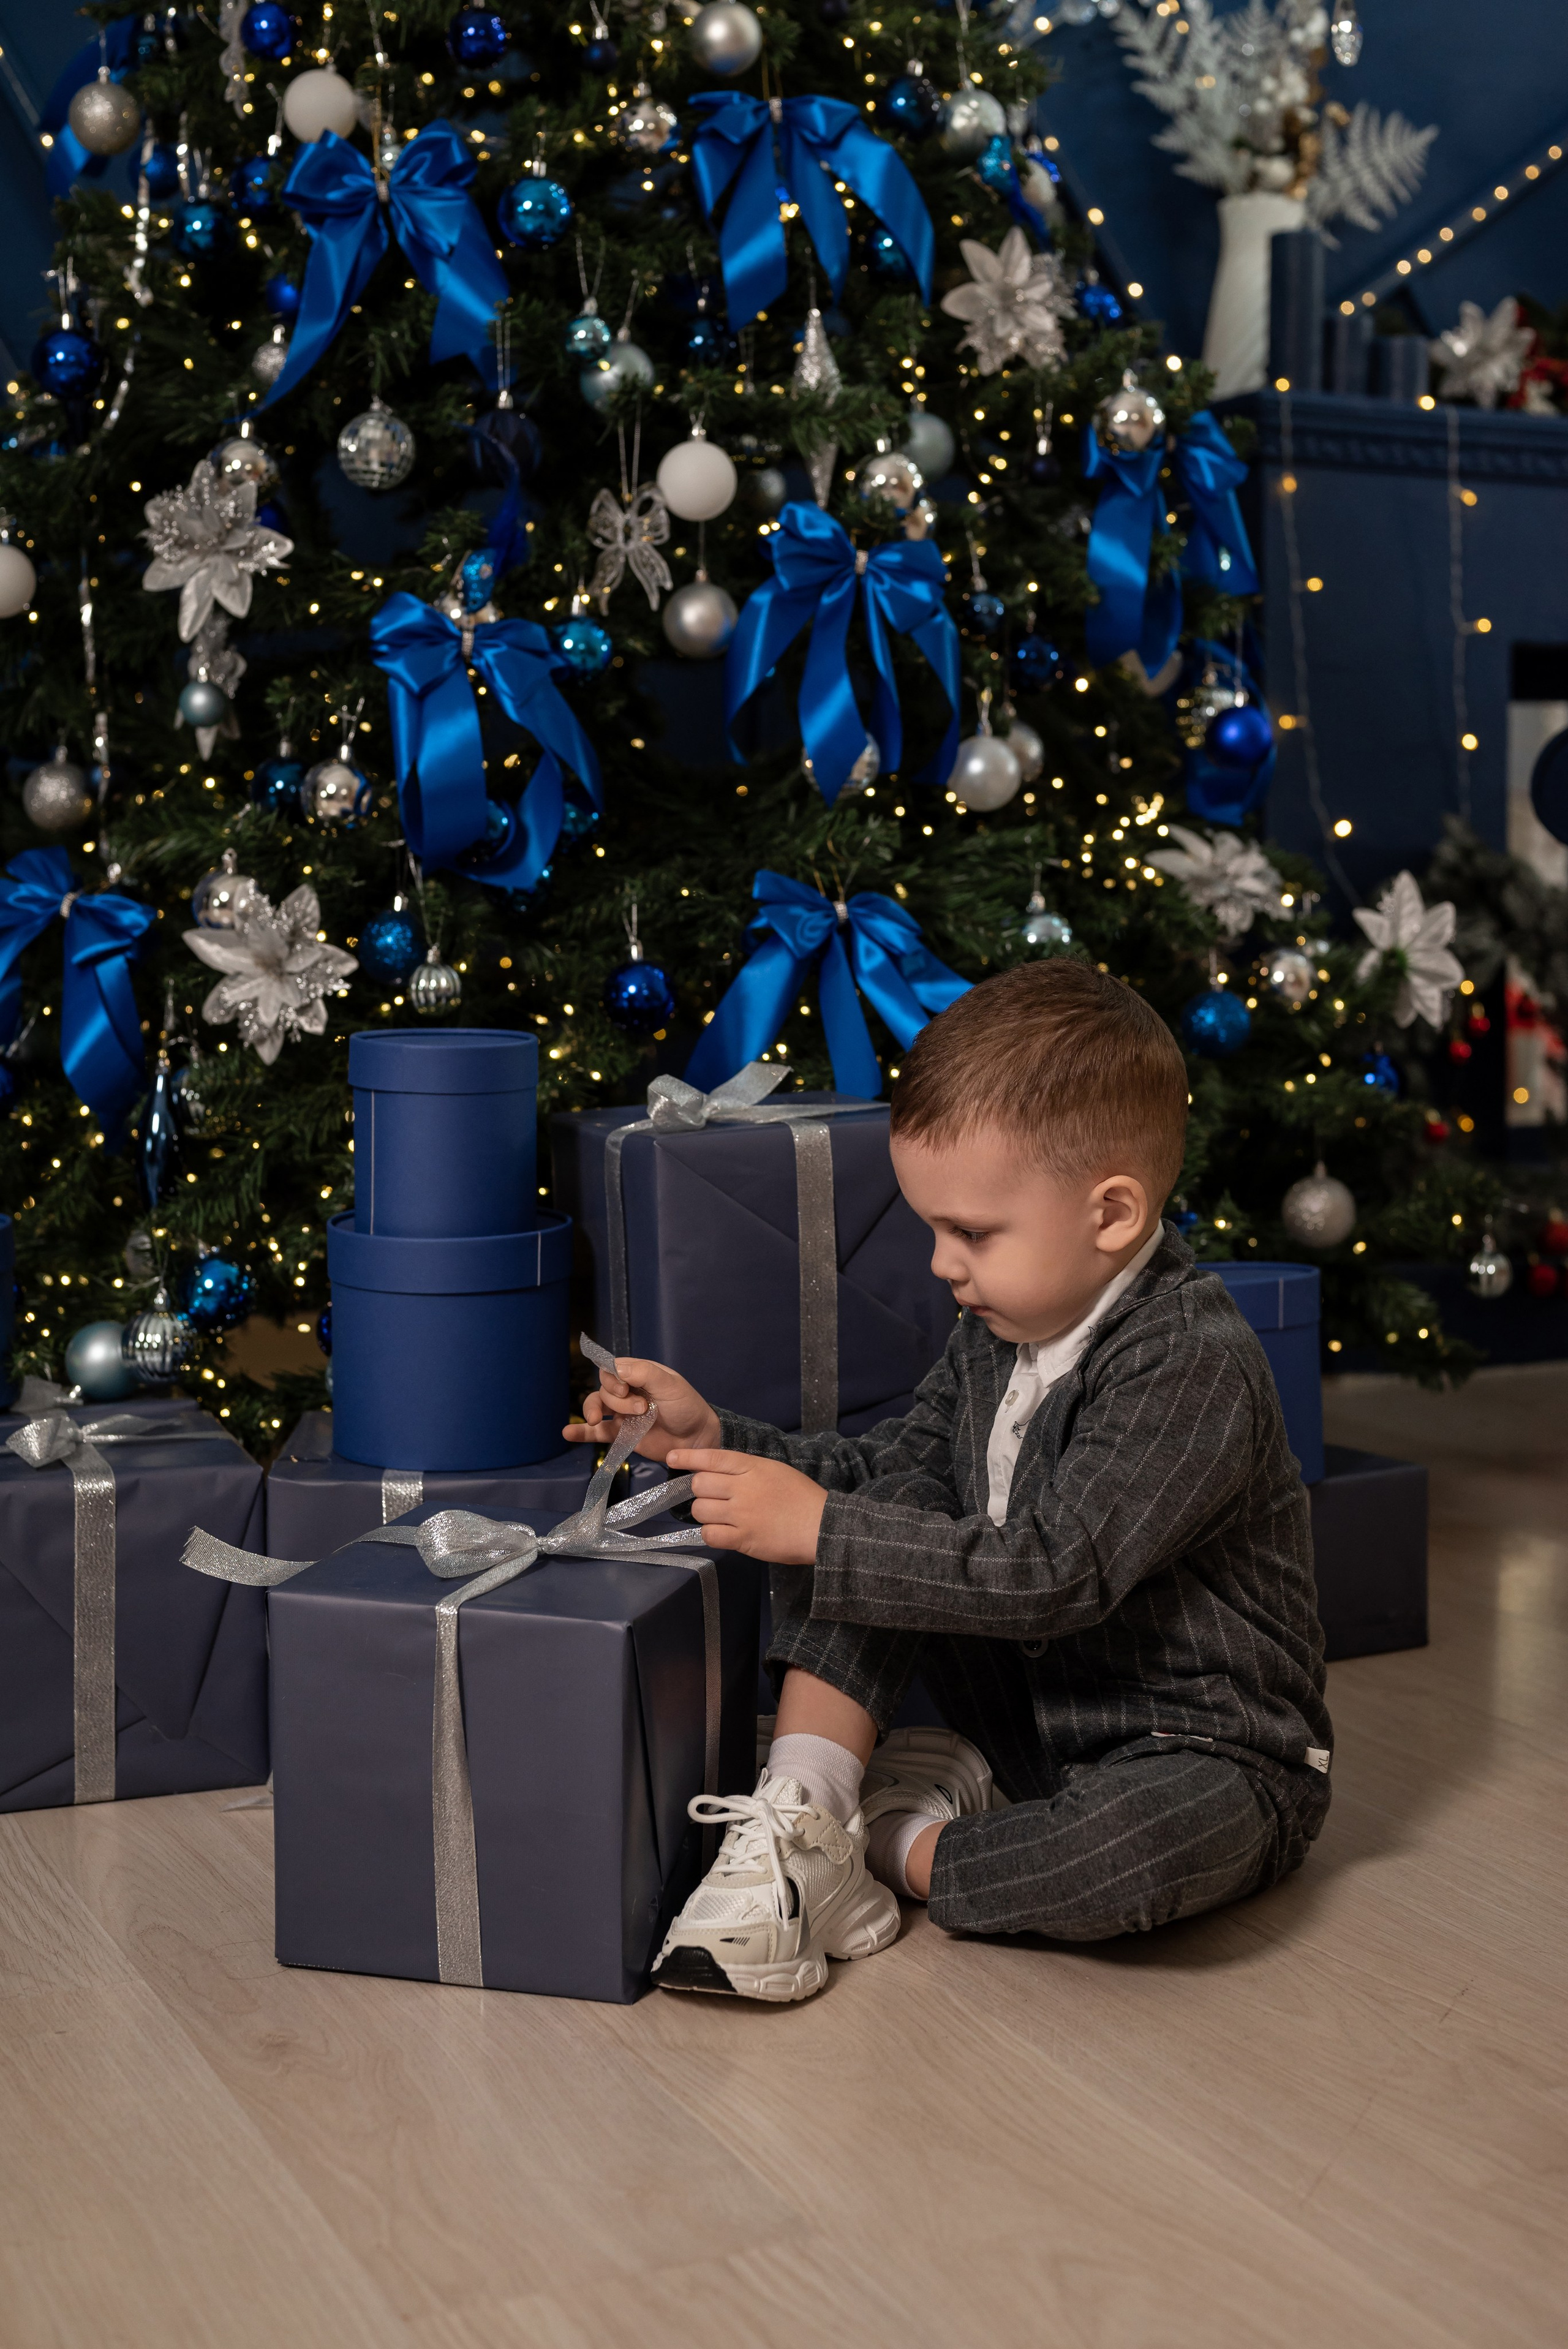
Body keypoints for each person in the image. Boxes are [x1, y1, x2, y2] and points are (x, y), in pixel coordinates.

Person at [565, 960, 1332, 2003]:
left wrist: (824, 1532)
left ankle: (881, 1845)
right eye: (931, 1229)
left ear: (1111, 1215)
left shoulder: (1190, 1360)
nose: (940, 1265)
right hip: (1026, 1716)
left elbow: (1060, 1572)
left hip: (1201, 1751)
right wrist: (710, 1437)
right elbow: (892, 1472)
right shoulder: (999, 1330)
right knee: (885, 1507)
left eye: (970, 1233)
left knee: (1125, 1857)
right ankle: (803, 1811)